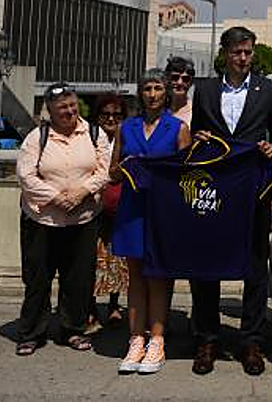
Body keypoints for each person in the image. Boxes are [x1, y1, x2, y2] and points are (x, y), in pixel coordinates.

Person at [188, 26, 272, 377]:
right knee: (206, 264)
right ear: (225, 54)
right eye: (237, 52)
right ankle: (207, 338)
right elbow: (196, 134)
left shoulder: (269, 90)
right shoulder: (205, 90)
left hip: (252, 188)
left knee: (256, 265)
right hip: (213, 190)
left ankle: (251, 340)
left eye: (248, 53)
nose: (243, 58)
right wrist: (198, 138)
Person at [14, 83, 110, 355]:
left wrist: (82, 192)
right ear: (50, 111)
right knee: (37, 279)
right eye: (61, 109)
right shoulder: (37, 137)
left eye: (71, 106)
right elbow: (26, 175)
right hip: (42, 220)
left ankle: (73, 329)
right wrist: (57, 198)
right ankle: (31, 333)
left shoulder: (94, 133)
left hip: (83, 219)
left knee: (78, 279)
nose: (68, 112)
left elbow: (105, 170)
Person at [108, 70, 189, 374]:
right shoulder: (126, 128)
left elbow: (187, 176)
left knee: (158, 276)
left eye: (157, 88)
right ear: (140, 93)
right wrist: (127, 167)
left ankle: (157, 339)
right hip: (132, 207)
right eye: (147, 88)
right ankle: (135, 339)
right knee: (136, 276)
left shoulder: (179, 128)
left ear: (166, 93)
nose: (152, 94)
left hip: (163, 210)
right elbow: (112, 172)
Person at [89, 93, 130, 332]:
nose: (111, 118)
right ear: (98, 116)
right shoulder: (89, 137)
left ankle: (114, 305)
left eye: (117, 114)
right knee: (92, 260)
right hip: (93, 207)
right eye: (106, 114)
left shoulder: (126, 138)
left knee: (117, 259)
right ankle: (91, 306)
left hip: (118, 207)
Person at [164, 55, 195, 124]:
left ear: (191, 83)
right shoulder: (157, 108)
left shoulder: (195, 112)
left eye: (185, 79)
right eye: (175, 78)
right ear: (167, 79)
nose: (180, 83)